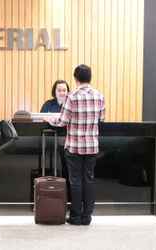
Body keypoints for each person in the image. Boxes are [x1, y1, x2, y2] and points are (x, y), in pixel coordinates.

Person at [47, 64, 105, 226]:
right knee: (89, 179)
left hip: (74, 146)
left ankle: (75, 216)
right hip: (92, 146)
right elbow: (102, 119)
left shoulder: (71, 97)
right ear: (90, 77)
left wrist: (50, 120)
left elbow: (63, 121)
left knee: (75, 181)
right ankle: (87, 217)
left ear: (75, 78)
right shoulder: (99, 96)